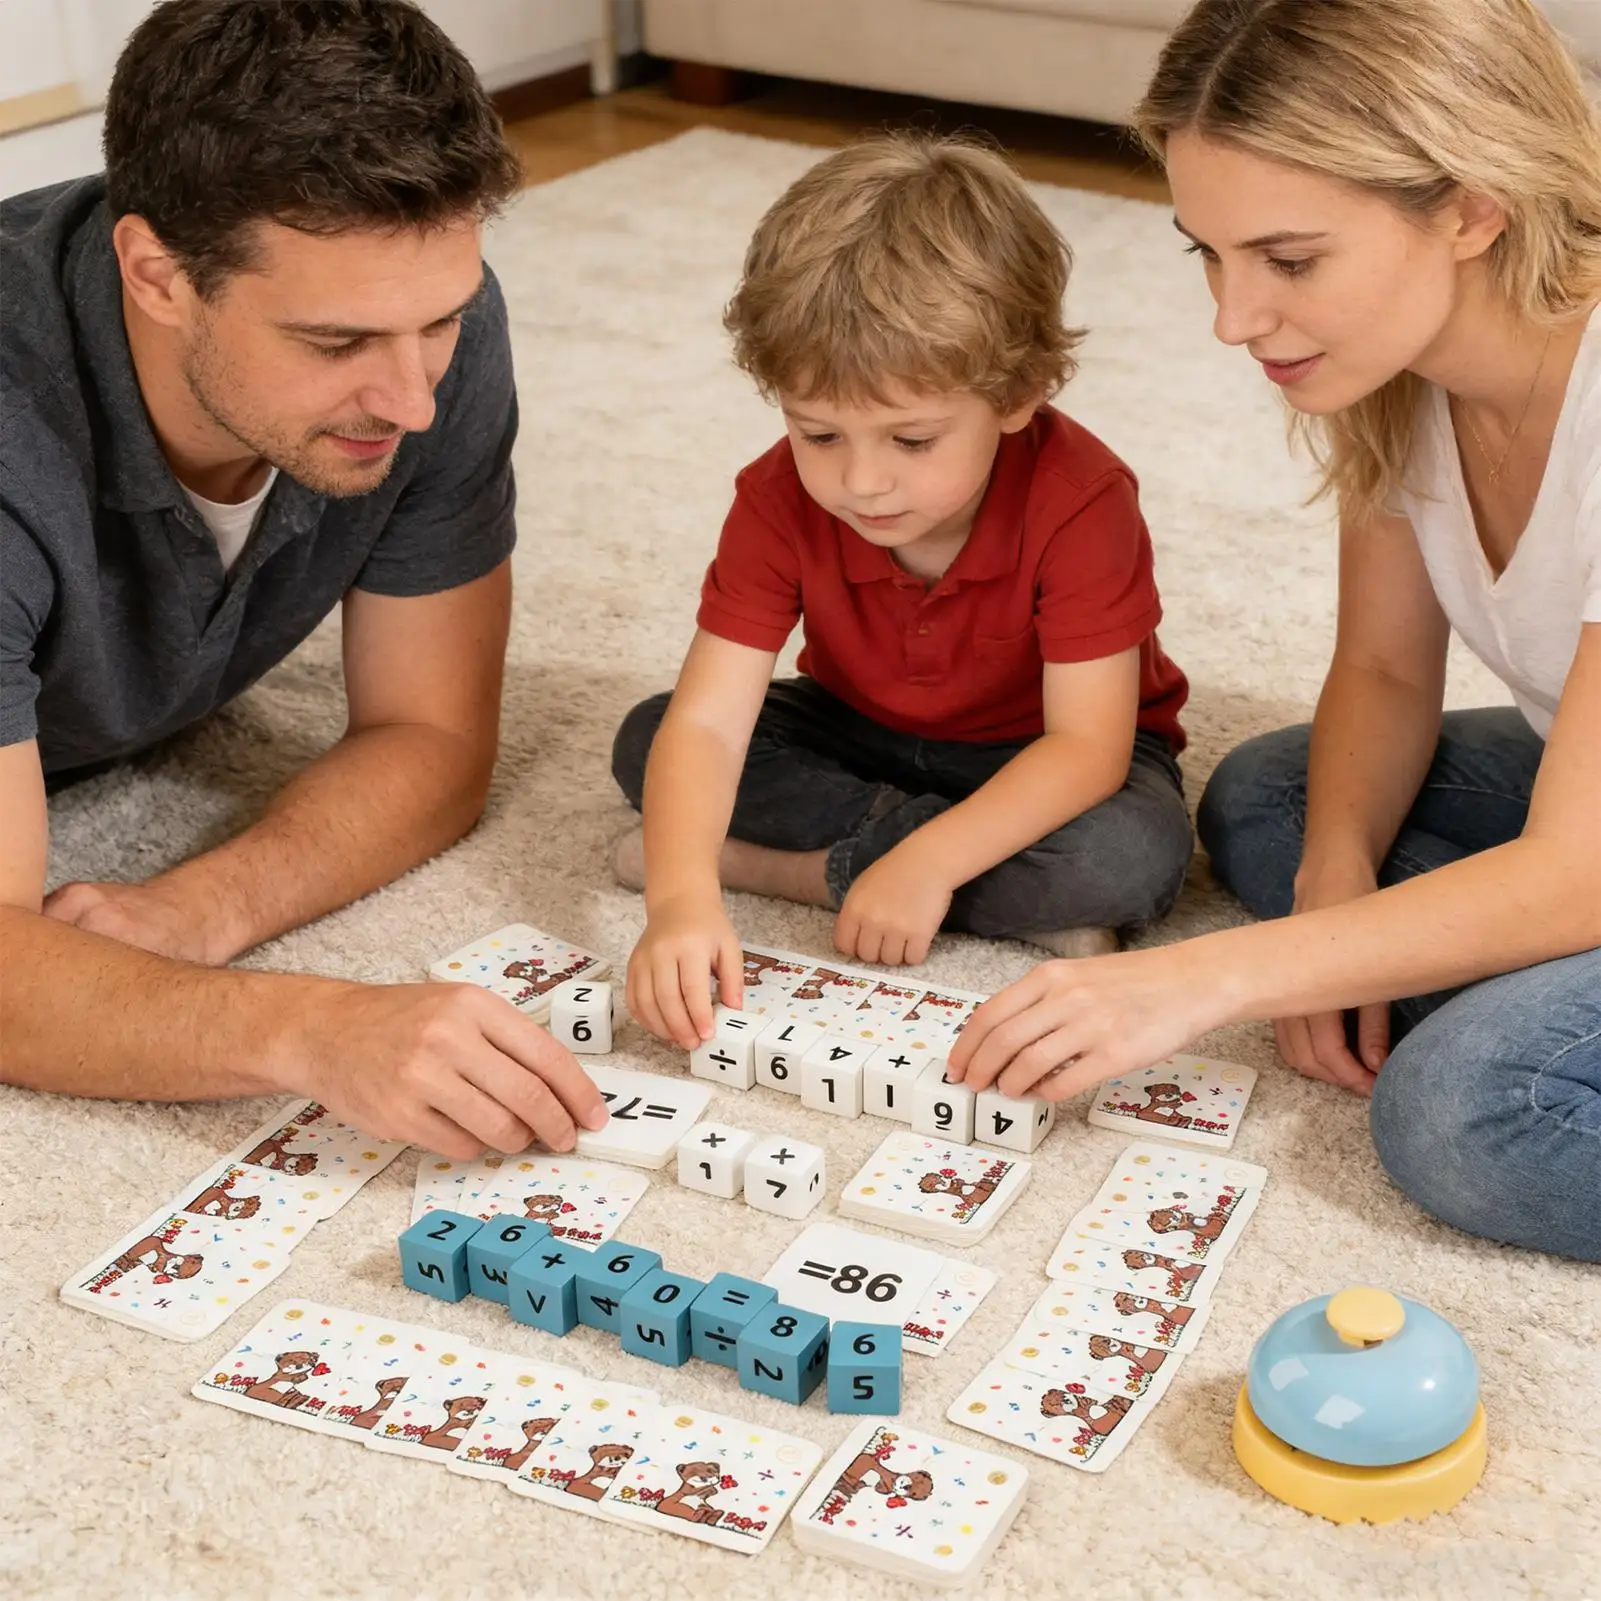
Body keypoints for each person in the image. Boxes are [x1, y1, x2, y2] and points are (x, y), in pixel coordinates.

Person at [950, 0, 1601, 1264]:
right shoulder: (1408, 377)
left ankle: (1500, 1001)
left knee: (1467, 1110)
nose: (1230, 316)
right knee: (1275, 803)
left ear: (1471, 208)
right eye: (1207, 250)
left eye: (1288, 260)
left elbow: (1576, 869)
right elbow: (1379, 666)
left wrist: (1222, 978)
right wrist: (1329, 899)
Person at [0, 0, 607, 1156]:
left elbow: (432, 734)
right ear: (158, 274)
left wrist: (201, 904)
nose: (415, 400)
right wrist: (311, 1026)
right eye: (335, 346)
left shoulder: (422, 335)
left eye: (440, 320)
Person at [611, 133, 1194, 1049]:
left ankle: (797, 870)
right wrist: (679, 899)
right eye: (819, 434)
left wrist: (928, 859)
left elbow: (1088, 748)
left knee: (1129, 858)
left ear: (1020, 392)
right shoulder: (773, 497)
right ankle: (959, 891)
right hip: (858, 727)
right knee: (649, 739)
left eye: (911, 441)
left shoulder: (1083, 499)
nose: (861, 483)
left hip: (1036, 752)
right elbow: (710, 722)